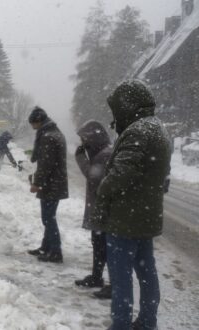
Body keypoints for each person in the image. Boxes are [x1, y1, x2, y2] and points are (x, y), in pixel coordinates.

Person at [91, 80, 171, 330]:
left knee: (121, 276)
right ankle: (147, 322)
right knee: (147, 273)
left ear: (127, 105)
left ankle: (121, 324)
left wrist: (103, 188)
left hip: (125, 219)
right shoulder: (158, 128)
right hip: (145, 217)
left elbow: (120, 175)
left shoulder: (138, 131)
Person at [73, 120, 112, 299]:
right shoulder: (100, 153)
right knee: (98, 245)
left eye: (84, 140)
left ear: (93, 139)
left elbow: (93, 177)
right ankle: (97, 277)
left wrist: (80, 158)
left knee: (106, 247)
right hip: (98, 209)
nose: (82, 144)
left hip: (103, 211)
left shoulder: (104, 155)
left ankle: (113, 284)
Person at [27, 107, 68, 263]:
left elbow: (46, 164)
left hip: (51, 183)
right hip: (55, 182)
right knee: (49, 216)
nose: (32, 127)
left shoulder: (48, 137)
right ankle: (46, 247)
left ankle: (56, 252)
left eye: (33, 123)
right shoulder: (55, 133)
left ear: (38, 121)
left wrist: (37, 183)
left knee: (48, 218)